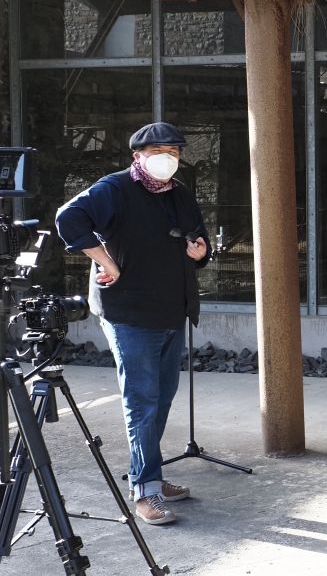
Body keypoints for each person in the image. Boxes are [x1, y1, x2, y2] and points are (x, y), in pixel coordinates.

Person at [55, 122, 210, 525]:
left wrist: (201, 252)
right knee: (142, 401)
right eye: (158, 151)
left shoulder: (181, 193)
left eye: (174, 152)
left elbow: (200, 239)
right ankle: (145, 491)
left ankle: (150, 475)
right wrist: (103, 260)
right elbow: (68, 218)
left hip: (172, 309)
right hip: (129, 313)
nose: (167, 159)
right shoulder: (114, 188)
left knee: (162, 397)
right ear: (137, 156)